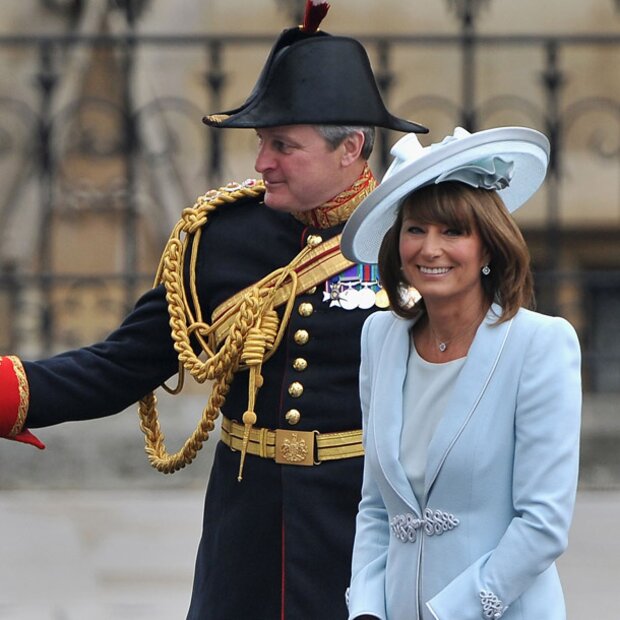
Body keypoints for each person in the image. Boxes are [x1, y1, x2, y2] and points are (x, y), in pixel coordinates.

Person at [0, 3, 429, 619]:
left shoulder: (413, 237)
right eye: (261, 143)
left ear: (351, 148)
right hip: (245, 533)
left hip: (365, 530)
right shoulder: (222, 236)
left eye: (284, 145)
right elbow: (124, 365)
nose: (261, 162)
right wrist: (9, 393)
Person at [339, 126, 582, 620]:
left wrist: (454, 611)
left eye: (453, 231)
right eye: (416, 229)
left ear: (488, 248)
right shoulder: (378, 337)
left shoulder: (540, 343)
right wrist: (366, 609)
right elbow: (376, 508)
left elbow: (542, 523)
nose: (430, 249)